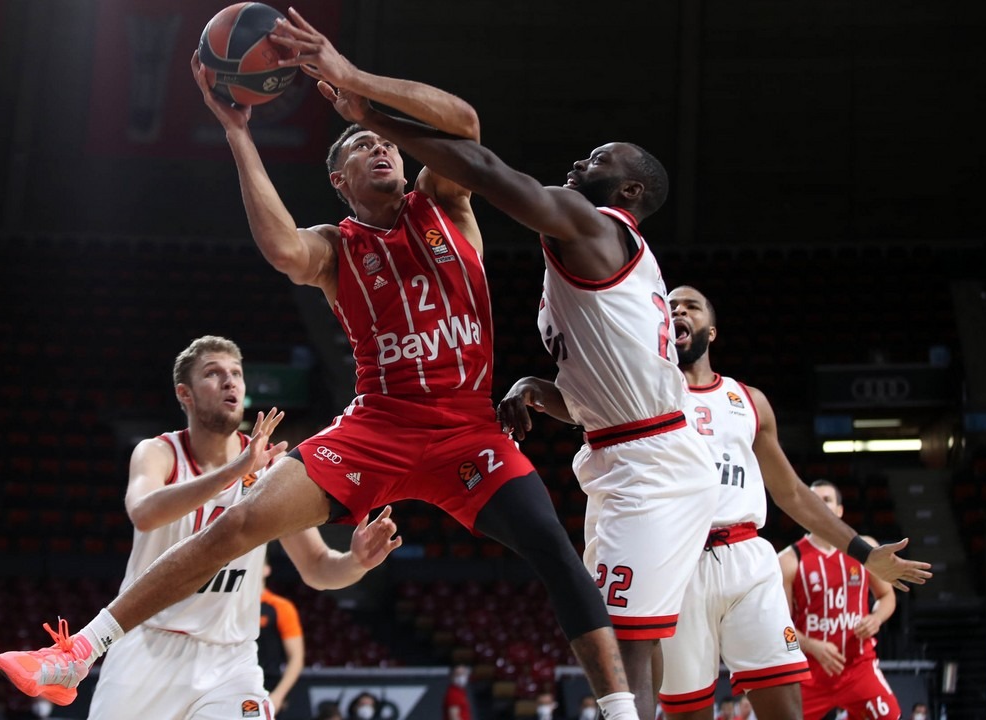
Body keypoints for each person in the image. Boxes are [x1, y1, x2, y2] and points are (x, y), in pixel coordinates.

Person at [0, 10, 636, 720]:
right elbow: (280, 249)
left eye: (383, 142)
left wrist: (358, 88)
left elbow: (465, 123)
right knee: (235, 525)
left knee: (552, 547)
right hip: (379, 426)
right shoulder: (336, 246)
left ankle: (619, 711)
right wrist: (238, 133)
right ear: (338, 179)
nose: (379, 148)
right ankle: (77, 653)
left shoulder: (445, 202)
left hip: (468, 428)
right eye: (361, 146)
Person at [281, 13, 723, 720]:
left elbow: (483, 169)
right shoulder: (585, 258)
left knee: (624, 644)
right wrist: (533, 389)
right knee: (636, 637)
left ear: (630, 193)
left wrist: (370, 112)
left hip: (651, 461)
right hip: (622, 451)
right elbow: (599, 392)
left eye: (599, 160)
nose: (579, 164)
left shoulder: (593, 224)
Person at [2, 335, 403, 718]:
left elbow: (317, 568)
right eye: (213, 373)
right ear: (185, 394)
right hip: (146, 645)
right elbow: (144, 513)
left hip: (231, 658)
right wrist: (233, 473)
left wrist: (356, 561)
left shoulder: (269, 467)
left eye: (237, 373)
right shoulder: (158, 452)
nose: (230, 381)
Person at [656, 287, 932, 720]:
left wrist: (863, 553)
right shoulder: (646, 394)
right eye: (670, 307)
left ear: (711, 330)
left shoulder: (749, 401)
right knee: (687, 713)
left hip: (745, 557)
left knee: (785, 708)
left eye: (690, 306)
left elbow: (793, 493)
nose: (678, 311)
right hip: (680, 563)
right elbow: (583, 408)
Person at [779, 481, 903, 720]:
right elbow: (781, 629)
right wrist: (810, 645)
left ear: (840, 510)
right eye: (814, 500)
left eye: (827, 500)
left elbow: (887, 596)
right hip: (809, 673)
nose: (820, 505)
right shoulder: (788, 560)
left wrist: (876, 618)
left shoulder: (866, 548)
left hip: (858, 668)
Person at [260, 558, 305, 715]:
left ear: (267, 569)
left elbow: (296, 658)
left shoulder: (281, 607)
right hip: (232, 683)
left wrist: (278, 695)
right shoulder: (229, 607)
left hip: (268, 685)